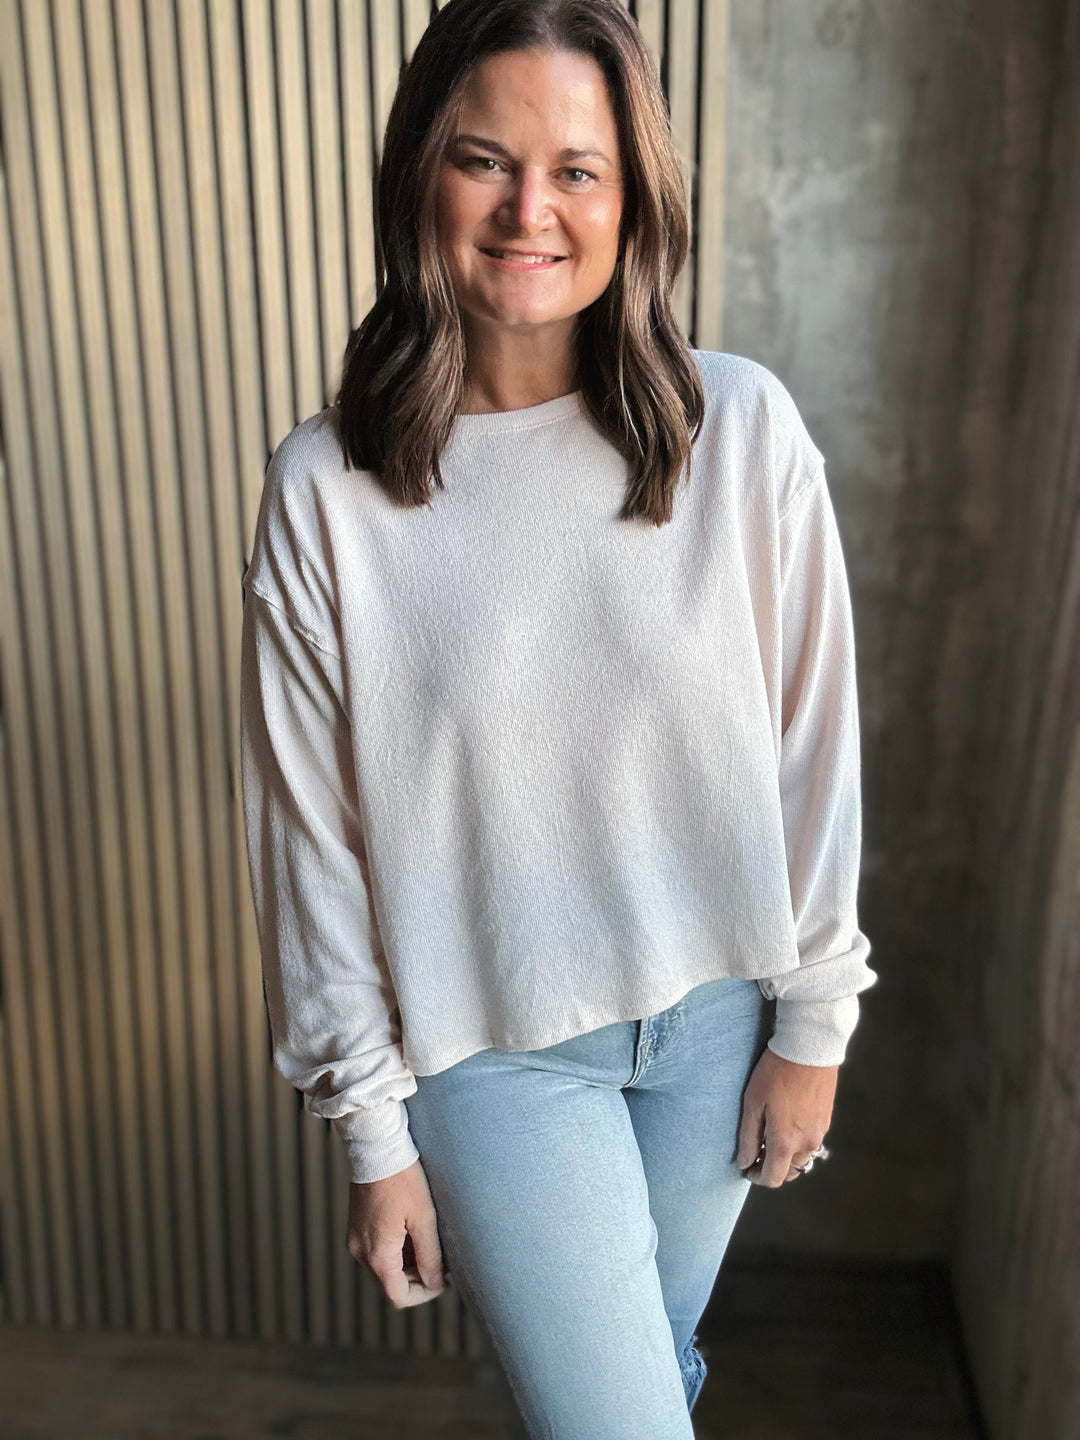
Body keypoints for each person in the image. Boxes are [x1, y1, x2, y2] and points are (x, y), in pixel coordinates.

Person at [239, 1, 877, 1434]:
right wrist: (370, 1133)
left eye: (578, 170)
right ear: (421, 177)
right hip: (492, 1051)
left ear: (631, 197)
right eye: (486, 160)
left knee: (629, 1391)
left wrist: (814, 1029)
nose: (532, 209)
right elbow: (313, 844)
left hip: (721, 1024)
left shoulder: (743, 432)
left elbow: (814, 757)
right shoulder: (326, 492)